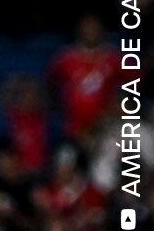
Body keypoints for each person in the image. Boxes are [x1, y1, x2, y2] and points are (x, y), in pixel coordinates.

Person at [49, 15, 120, 147]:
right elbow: (52, 87)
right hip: (74, 129)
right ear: (79, 30)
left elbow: (134, 84)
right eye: (87, 27)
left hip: (107, 126)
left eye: (94, 28)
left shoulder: (114, 59)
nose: (91, 32)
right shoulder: (65, 59)